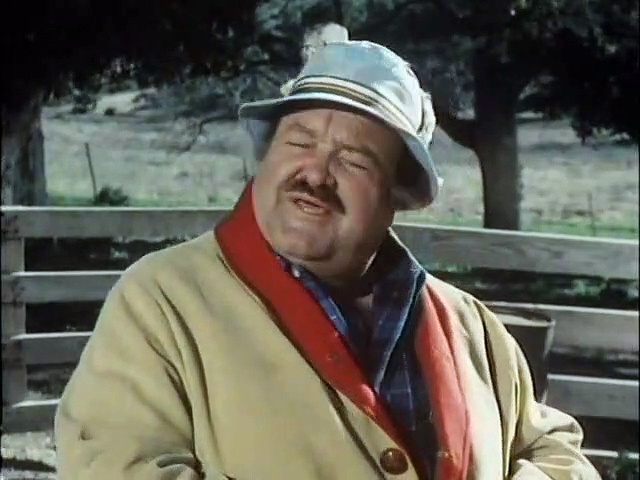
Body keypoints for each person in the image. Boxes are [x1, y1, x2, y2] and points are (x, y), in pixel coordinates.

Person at [54, 41, 601, 480]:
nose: (315, 173)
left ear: (398, 195)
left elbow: (555, 450)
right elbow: (117, 466)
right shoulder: (161, 302)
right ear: (265, 156)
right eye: (299, 142)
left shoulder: (469, 326)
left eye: (354, 159)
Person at [280, 22, 349, 96]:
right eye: (330, 47)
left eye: (344, 49)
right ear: (309, 51)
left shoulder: (350, 88)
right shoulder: (292, 89)